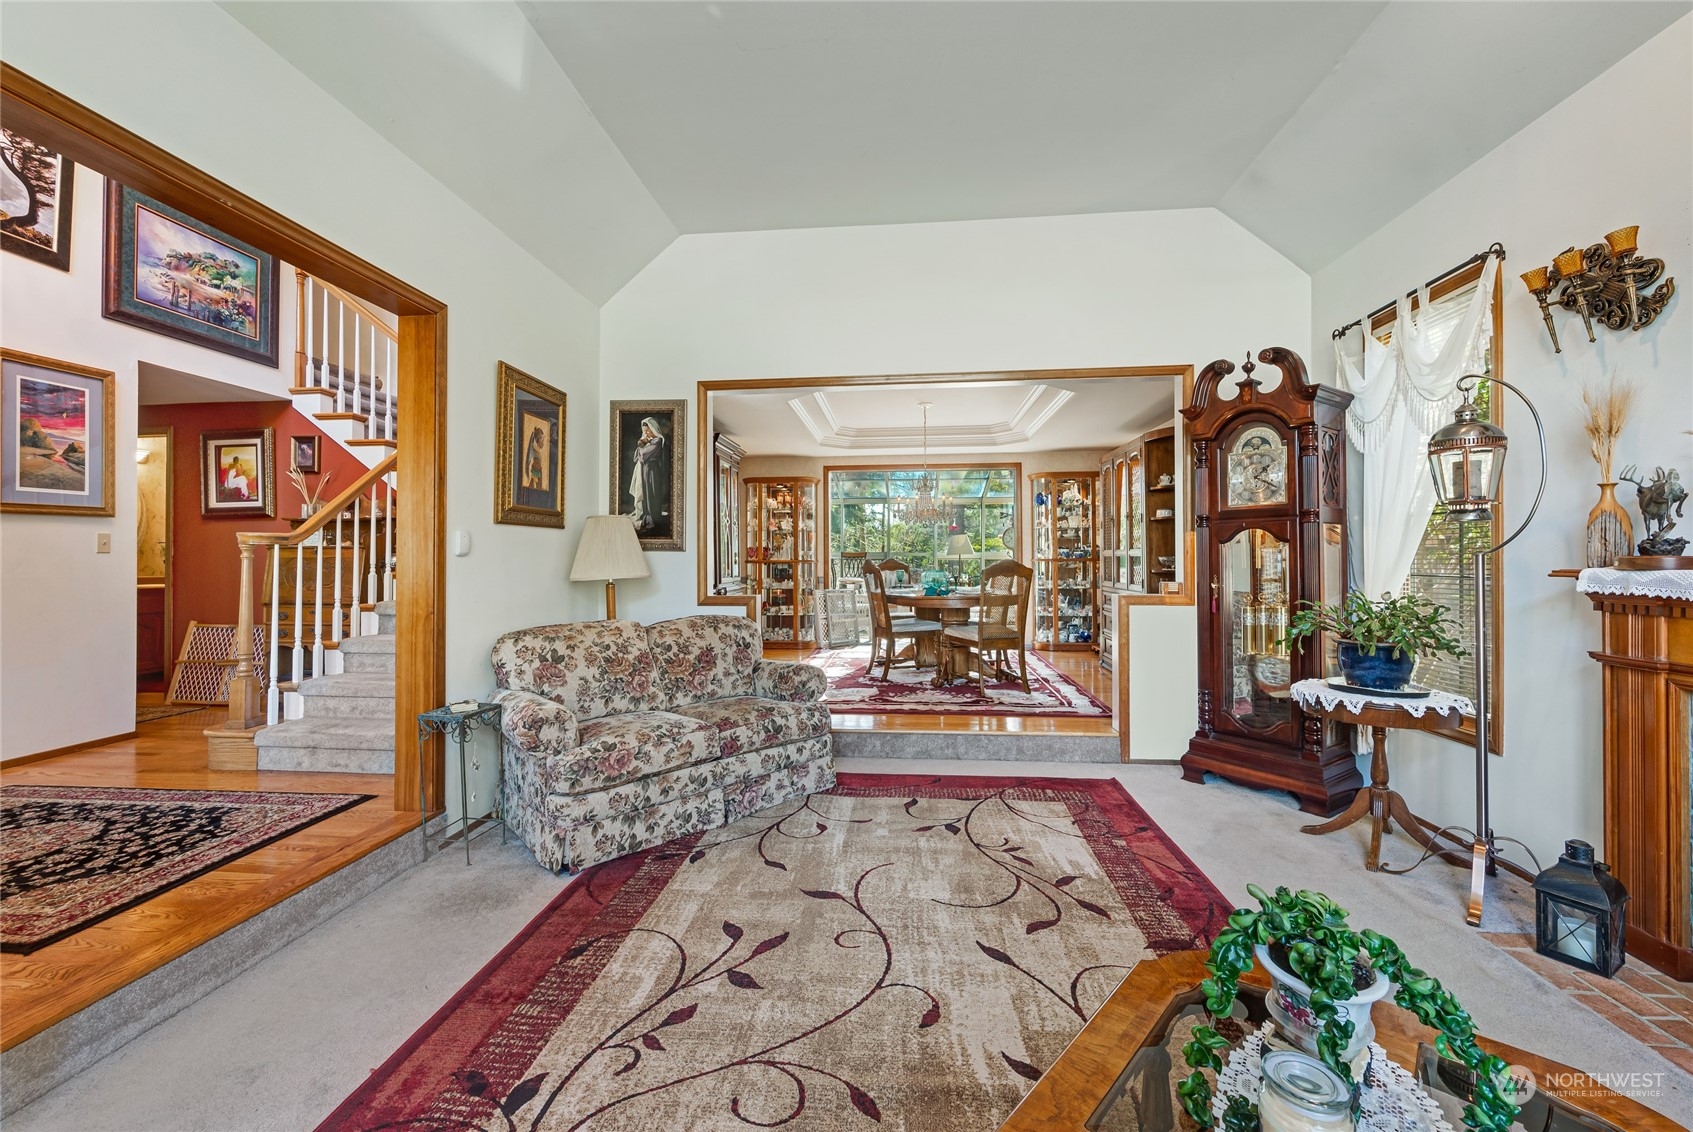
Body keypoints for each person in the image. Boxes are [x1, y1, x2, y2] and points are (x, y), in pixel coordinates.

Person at [628, 416, 667, 532]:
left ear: (653, 429)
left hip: (652, 471)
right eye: (644, 430)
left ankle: (652, 518)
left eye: (648, 430)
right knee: (644, 493)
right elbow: (636, 457)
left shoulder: (657, 441)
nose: (646, 433)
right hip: (644, 470)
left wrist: (641, 444)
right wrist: (642, 443)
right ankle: (645, 516)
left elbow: (644, 455)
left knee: (651, 493)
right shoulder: (648, 441)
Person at [524, 424, 546, 491]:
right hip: (537, 476)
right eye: (542, 440)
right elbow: (535, 471)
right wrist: (535, 478)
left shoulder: (537, 450)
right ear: (538, 440)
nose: (543, 443)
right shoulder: (535, 451)